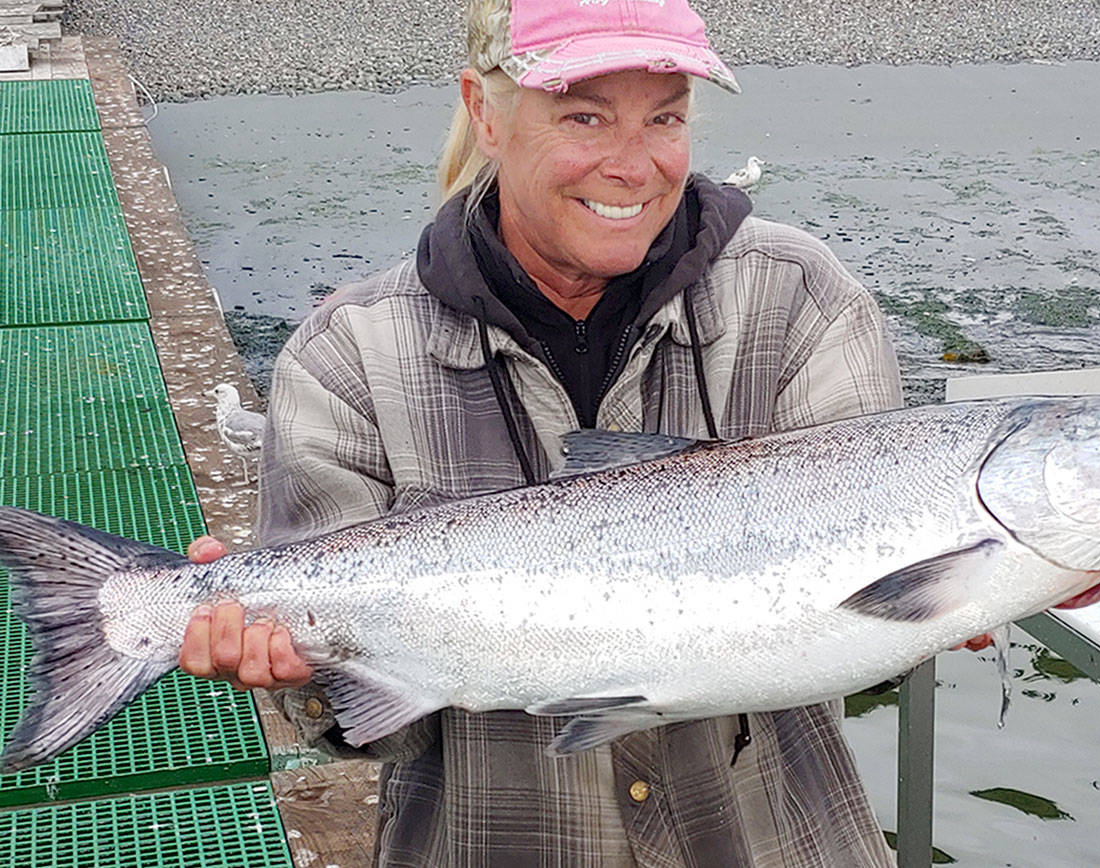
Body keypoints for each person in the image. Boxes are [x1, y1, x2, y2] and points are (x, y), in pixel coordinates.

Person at [180, 0, 905, 863]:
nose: (634, 166)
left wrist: (973, 595)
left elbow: (874, 622)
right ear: (485, 113)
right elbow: (371, 732)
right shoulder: (348, 356)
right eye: (584, 116)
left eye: (664, 117)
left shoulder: (804, 301)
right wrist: (304, 678)